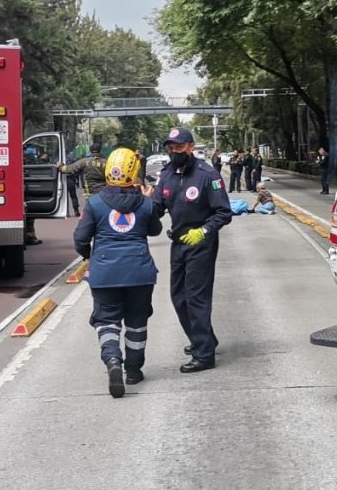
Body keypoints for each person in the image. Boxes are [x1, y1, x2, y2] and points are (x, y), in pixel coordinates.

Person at [74, 147, 162, 398]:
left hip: (104, 273)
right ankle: (133, 370)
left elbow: (81, 238)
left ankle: (113, 361)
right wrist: (149, 200)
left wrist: (88, 256)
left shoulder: (95, 203)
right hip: (140, 272)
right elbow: (154, 230)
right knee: (137, 321)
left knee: (106, 321)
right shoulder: (144, 204)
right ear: (134, 171)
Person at [148, 128, 232, 373]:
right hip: (179, 242)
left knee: (196, 297)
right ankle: (203, 338)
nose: (175, 151)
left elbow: (223, 212)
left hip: (201, 242)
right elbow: (157, 209)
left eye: (180, 146)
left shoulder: (207, 175)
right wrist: (138, 203)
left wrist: (204, 231)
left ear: (191, 147)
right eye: (171, 147)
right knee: (178, 297)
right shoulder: (166, 175)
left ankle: (204, 354)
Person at [65, 151, 81, 217]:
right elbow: (76, 169)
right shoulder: (71, 159)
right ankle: (76, 210)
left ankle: (65, 211)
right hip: (71, 179)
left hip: (62, 180)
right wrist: (76, 178)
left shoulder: (57, 159)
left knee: (63, 197)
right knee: (73, 196)